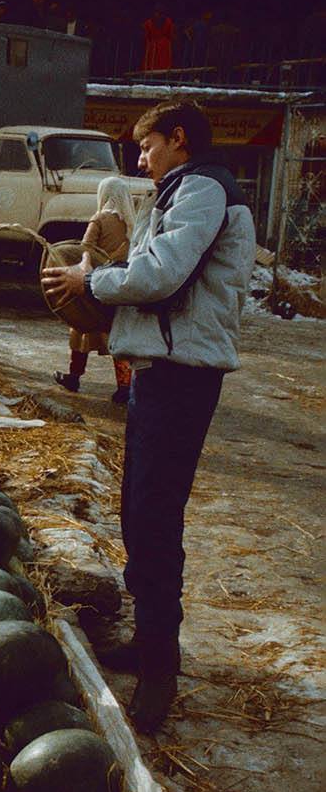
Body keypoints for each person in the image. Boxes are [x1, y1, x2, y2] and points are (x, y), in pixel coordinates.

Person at [41, 100, 256, 732]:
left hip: (183, 377)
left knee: (155, 519)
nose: (140, 158)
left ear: (179, 139)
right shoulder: (184, 188)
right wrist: (103, 283)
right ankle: (149, 638)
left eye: (146, 145)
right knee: (139, 513)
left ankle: (161, 669)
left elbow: (161, 274)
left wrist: (91, 284)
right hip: (162, 371)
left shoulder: (202, 190)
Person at [54, 177, 138, 403]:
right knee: (114, 334)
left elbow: (84, 250)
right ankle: (124, 386)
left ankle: (73, 377)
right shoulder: (132, 222)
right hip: (120, 285)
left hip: (95, 283)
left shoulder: (99, 218)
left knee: (81, 328)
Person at [142, 4, 175, 72]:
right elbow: (171, 35)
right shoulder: (149, 23)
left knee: (160, 65)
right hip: (157, 46)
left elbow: (171, 34)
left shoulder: (167, 22)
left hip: (160, 47)